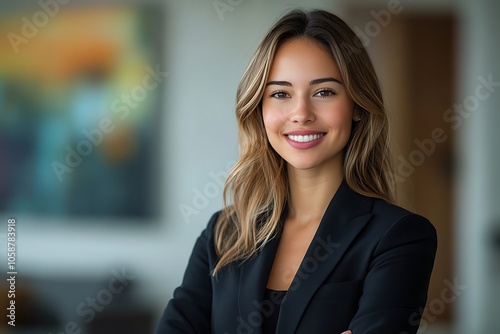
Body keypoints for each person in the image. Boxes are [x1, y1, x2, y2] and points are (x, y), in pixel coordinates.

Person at [155, 8, 437, 334]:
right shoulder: (223, 234)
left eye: (324, 92)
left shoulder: (400, 237)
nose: (301, 113)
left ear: (358, 105)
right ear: (259, 109)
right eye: (280, 94)